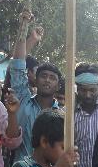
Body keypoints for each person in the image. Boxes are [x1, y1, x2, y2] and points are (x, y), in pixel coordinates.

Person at [10, 11, 62, 159]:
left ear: (58, 86)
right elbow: (17, 65)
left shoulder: (62, 116)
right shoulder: (22, 101)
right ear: (35, 80)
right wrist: (30, 37)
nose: (47, 80)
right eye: (43, 76)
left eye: (52, 78)